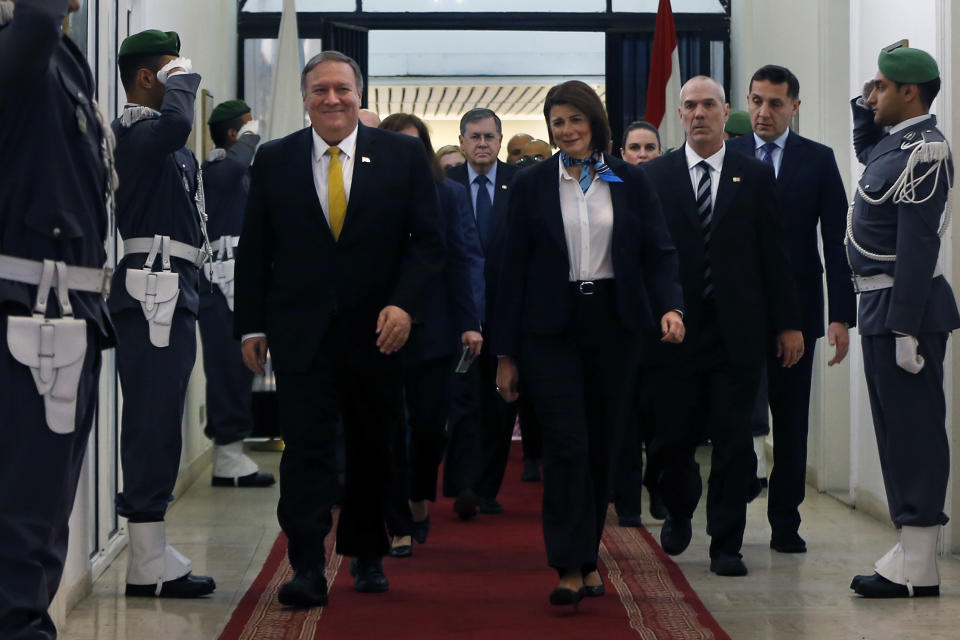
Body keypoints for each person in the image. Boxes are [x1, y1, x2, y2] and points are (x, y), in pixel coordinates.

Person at [234, 50, 444, 606]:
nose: (332, 99)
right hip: (300, 334)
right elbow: (256, 250)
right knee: (305, 451)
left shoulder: (400, 155)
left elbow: (427, 243)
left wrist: (405, 306)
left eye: (342, 90)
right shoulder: (275, 160)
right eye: (320, 90)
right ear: (305, 98)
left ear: (359, 94)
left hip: (379, 332)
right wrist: (250, 325)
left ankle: (368, 555)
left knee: (374, 445)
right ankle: (306, 565)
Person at [495, 80, 684, 609]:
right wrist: (505, 354)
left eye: (575, 120)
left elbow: (659, 252)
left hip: (614, 325)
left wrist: (670, 305)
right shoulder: (532, 184)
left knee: (603, 444)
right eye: (557, 122)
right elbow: (510, 271)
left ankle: (588, 555)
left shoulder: (624, 179)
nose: (566, 130)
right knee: (565, 445)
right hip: (549, 330)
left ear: (594, 124)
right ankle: (568, 565)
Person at [642, 76, 802, 577]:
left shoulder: (752, 176)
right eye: (689, 106)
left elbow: (774, 257)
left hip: (738, 334)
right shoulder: (657, 177)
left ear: (725, 109)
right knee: (671, 440)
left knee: (734, 444)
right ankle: (678, 502)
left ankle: (726, 544)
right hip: (676, 334)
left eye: (709, 105)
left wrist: (788, 324)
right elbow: (644, 258)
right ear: (680, 113)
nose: (699, 114)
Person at [0, 0, 116, 635]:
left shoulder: (61, 58)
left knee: (44, 518)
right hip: (24, 315)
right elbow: (37, 24)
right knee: (22, 519)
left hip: (66, 313)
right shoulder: (22, 46)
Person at [727, 64, 856, 553]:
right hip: (738, 311)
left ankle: (785, 520)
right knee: (735, 417)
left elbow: (834, 241)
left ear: (794, 107)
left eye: (775, 103)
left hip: (798, 314)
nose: (763, 111)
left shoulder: (817, 161)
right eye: (756, 100)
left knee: (792, 419)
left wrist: (840, 315)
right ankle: (730, 522)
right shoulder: (729, 153)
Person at [847, 45, 958, 599]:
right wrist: (867, 97)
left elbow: (917, 245)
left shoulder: (927, 151)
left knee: (913, 433)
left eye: (881, 88)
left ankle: (918, 560)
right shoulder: (896, 147)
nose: (871, 98)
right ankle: (910, 554)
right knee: (895, 431)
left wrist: (908, 326)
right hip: (878, 307)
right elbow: (868, 151)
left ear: (909, 92)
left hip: (902, 307)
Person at [110, 29, 216, 598]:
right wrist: (184, 80)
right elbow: (176, 122)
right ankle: (145, 557)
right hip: (152, 292)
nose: (183, 82)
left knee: (162, 418)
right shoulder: (137, 130)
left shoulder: (164, 142)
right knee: (152, 420)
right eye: (173, 71)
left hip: (174, 289)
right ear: (149, 78)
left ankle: (151, 550)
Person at [378, 112, 483, 558]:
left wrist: (470, 321)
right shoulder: (370, 194)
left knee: (427, 429)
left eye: (414, 146)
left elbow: (462, 259)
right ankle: (396, 521)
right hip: (379, 329)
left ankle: (419, 496)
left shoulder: (449, 195)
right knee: (386, 429)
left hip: (435, 329)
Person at [443, 108, 522, 518]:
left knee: (499, 404)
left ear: (499, 139)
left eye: (490, 136)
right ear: (462, 141)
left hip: (507, 311)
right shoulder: (448, 183)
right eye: (474, 136)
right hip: (460, 313)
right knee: (462, 402)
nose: (482, 144)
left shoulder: (518, 183)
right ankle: (464, 484)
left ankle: (488, 487)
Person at [200, 99, 274, 488]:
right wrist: (250, 138)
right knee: (228, 369)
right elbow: (230, 170)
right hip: (219, 283)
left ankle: (233, 452)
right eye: (247, 128)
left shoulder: (245, 176)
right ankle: (227, 455)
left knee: (244, 367)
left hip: (244, 281)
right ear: (234, 134)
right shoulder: (216, 171)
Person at [612, 119, 665, 528]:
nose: (642, 154)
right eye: (635, 147)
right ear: (623, 153)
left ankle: (660, 491)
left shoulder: (672, 188)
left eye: (649, 147)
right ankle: (628, 501)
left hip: (664, 325)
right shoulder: (611, 191)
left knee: (660, 418)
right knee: (625, 418)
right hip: (623, 320)